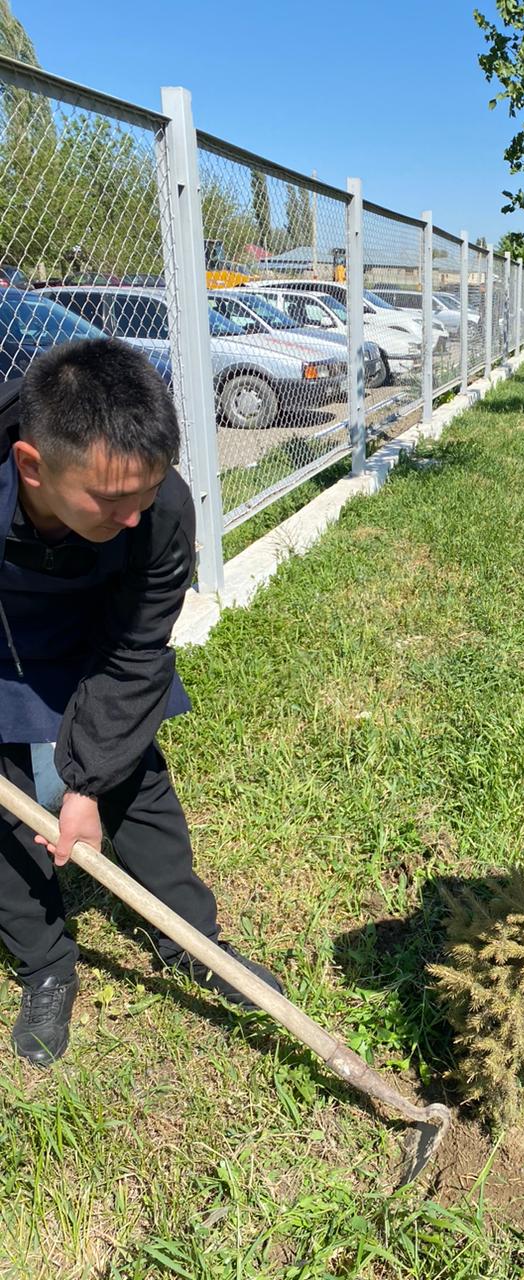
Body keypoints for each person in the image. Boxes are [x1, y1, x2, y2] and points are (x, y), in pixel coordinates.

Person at [0, 338, 282, 1067]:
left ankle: (194, 945)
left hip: (101, 635)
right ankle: (45, 964)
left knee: (134, 777)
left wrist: (87, 780)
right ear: (32, 466)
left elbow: (133, 654)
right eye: (112, 500)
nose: (135, 517)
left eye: (146, 494)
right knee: (7, 807)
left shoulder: (159, 510)